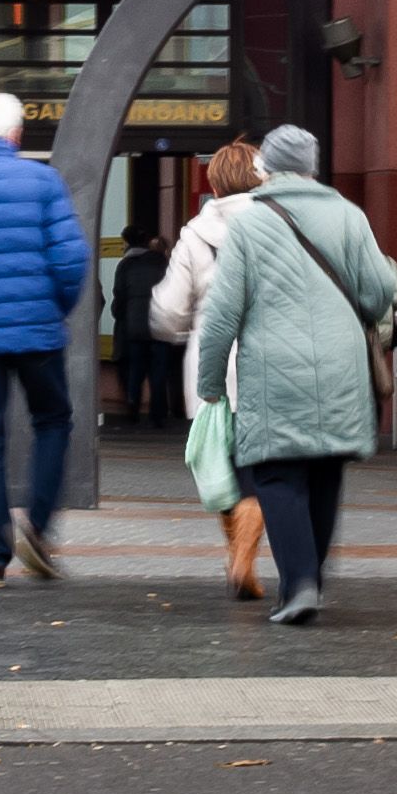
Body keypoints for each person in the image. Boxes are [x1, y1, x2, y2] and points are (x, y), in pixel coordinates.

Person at [188, 124, 397, 627]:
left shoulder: (249, 224)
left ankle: (299, 583)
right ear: (313, 165)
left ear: (267, 167)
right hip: (341, 367)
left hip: (273, 371)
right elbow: (378, 292)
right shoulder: (350, 215)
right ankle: (313, 581)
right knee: (326, 469)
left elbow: (223, 313)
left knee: (279, 474)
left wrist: (211, 383)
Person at [0, 90, 92, 584]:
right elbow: (71, 259)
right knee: (52, 420)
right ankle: (41, 526)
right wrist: (56, 309)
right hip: (38, 331)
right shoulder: (43, 180)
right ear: (16, 135)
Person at [153, 141, 270, 602]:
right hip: (268, 362)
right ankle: (244, 557)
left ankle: (236, 556)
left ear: (215, 184)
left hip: (210, 368)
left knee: (221, 467)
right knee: (257, 472)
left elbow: (168, 312)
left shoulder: (194, 234)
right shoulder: (278, 224)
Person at [108, 223, 175, 431]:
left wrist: (121, 317)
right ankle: (157, 416)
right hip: (160, 323)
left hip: (135, 324)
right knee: (158, 372)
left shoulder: (126, 265)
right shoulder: (163, 263)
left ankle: (133, 412)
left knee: (135, 370)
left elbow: (119, 295)